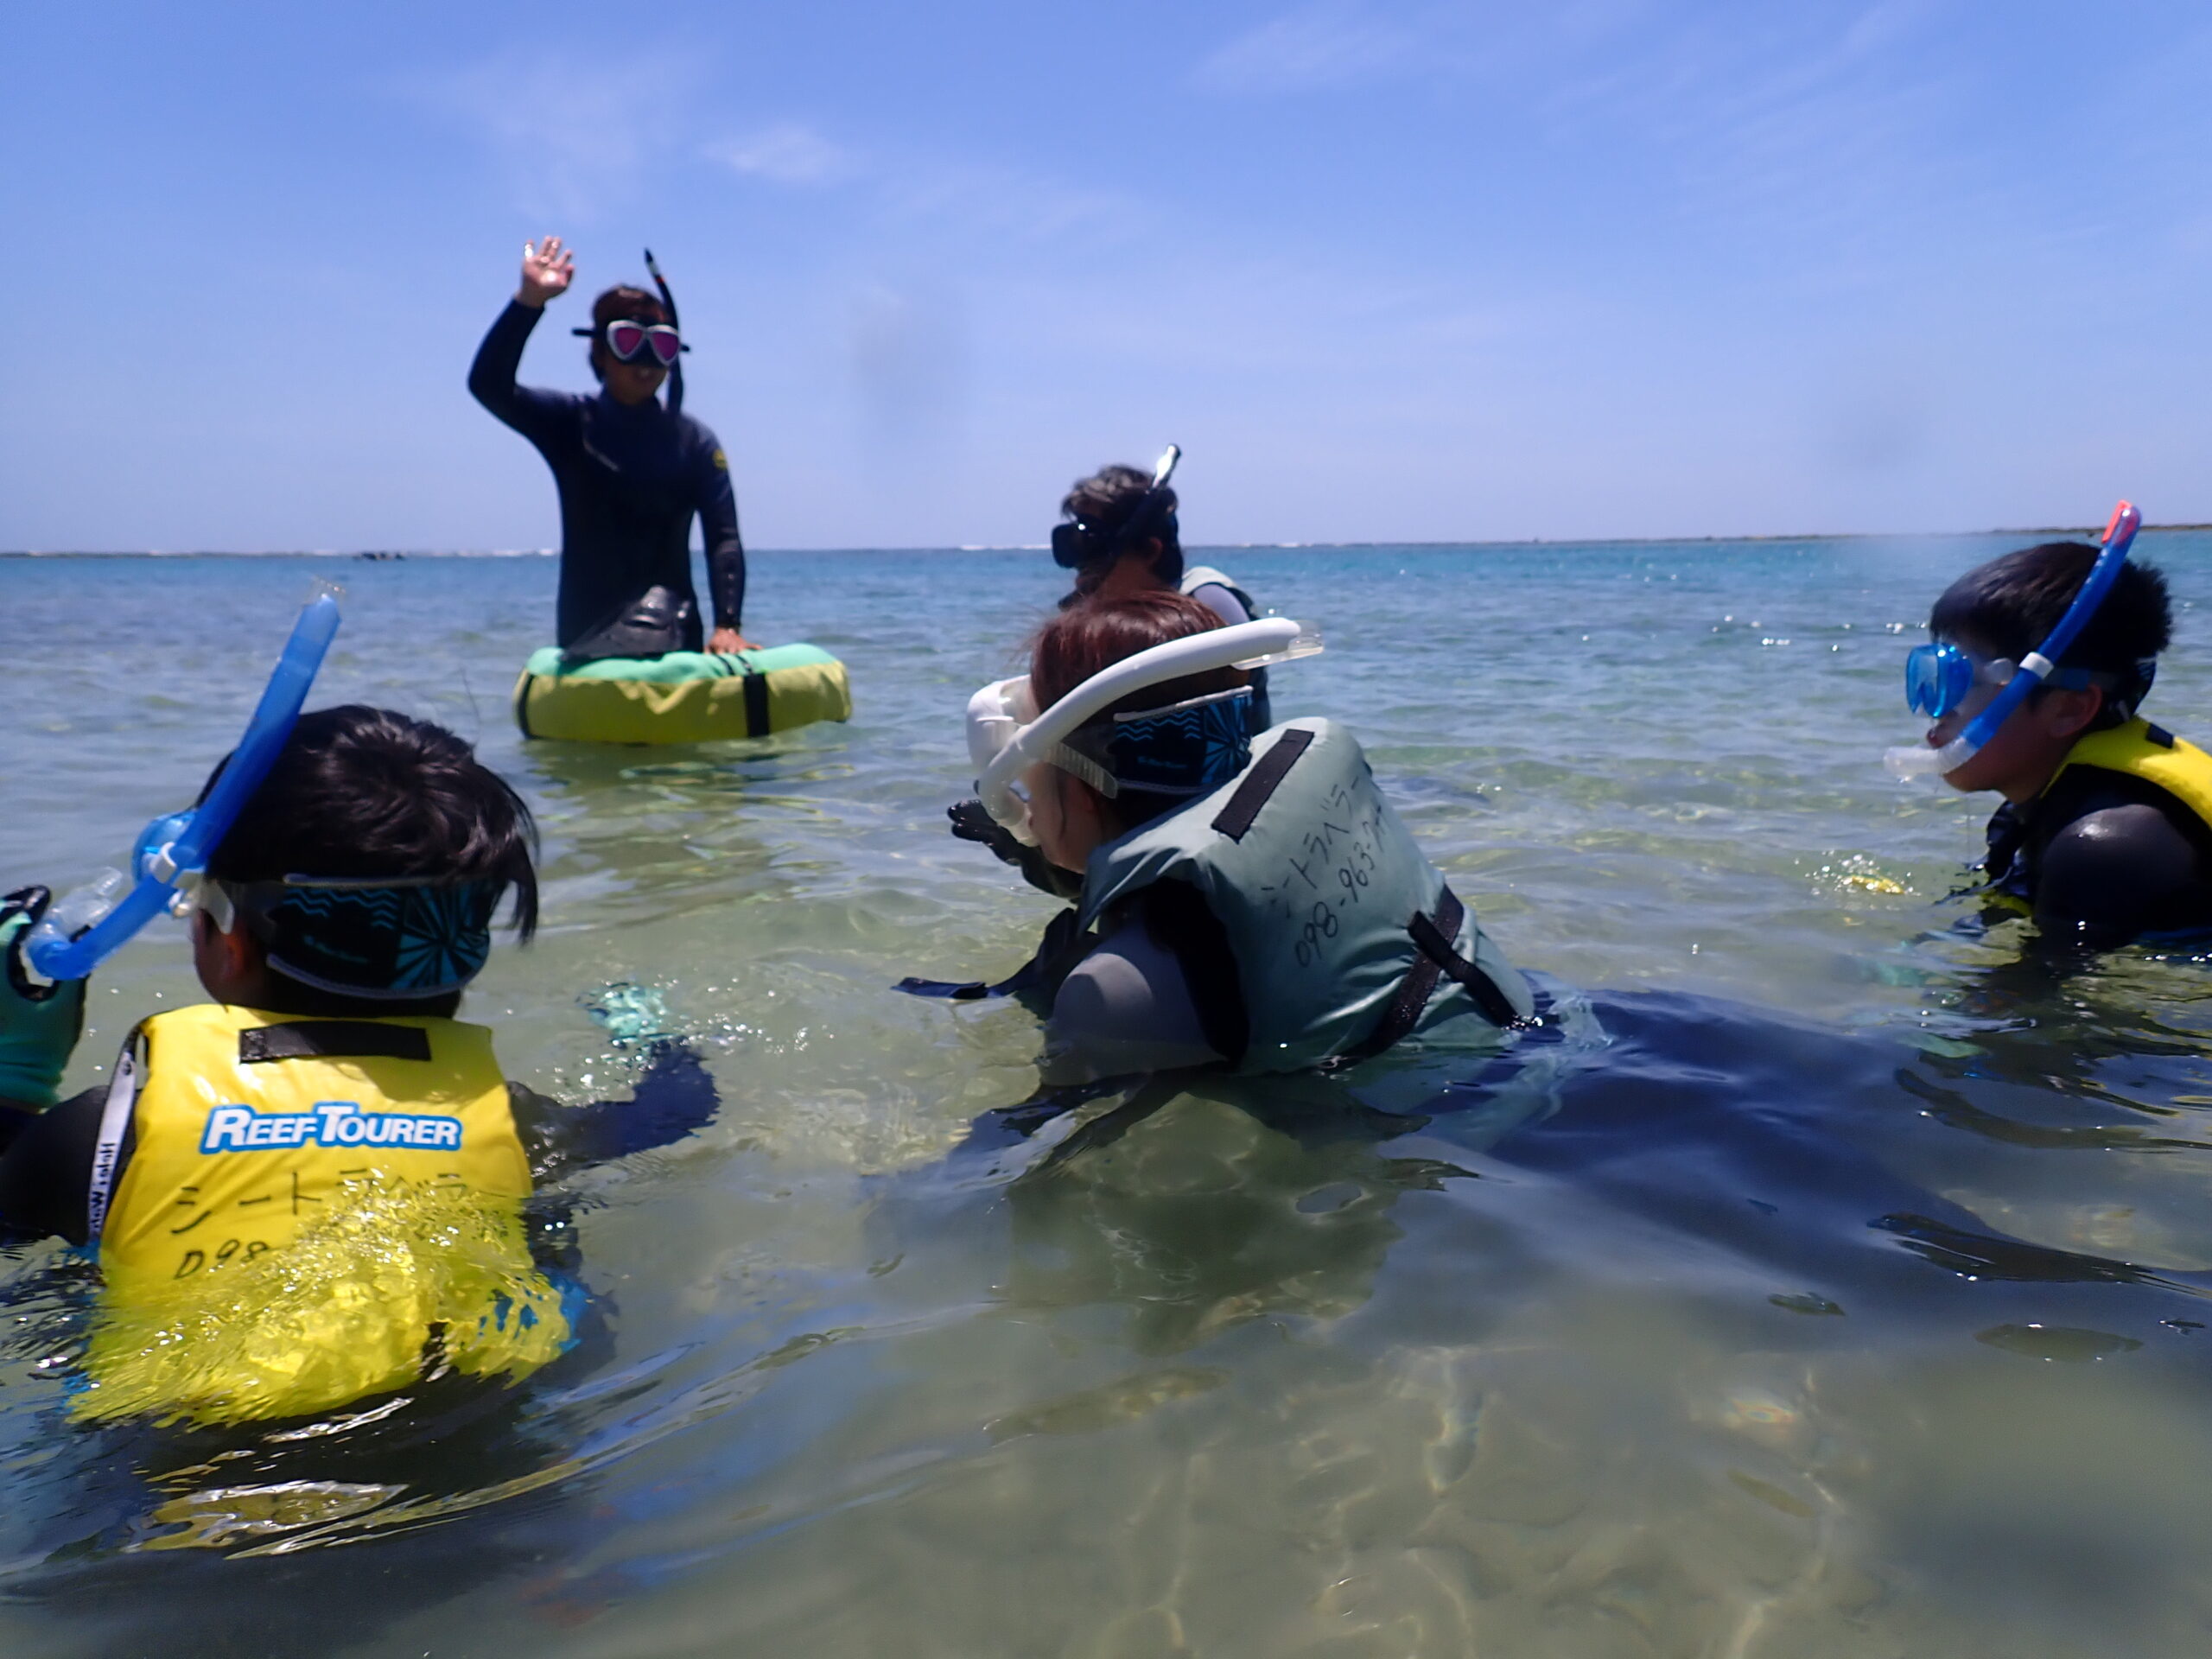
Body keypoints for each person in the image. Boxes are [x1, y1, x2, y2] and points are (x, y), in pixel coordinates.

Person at [0, 706, 718, 1426]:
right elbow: (678, 1109)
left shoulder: (97, 1140)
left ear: (228, 937)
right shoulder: (519, 1128)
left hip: (178, 1510)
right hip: (508, 1496)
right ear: (463, 939)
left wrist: (16, 1076)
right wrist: (654, 1038)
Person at [963, 591, 1534, 1081]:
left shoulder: (1109, 996)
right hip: (1540, 1037)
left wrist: (1055, 1006)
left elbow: (1050, 1178)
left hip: (1462, 1128)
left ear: (1083, 788)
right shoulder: (1290, 803)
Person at [949, 453, 1270, 896]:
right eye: (1077, 545)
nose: (1083, 571)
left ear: (1151, 550)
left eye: (1095, 547)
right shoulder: (1105, 633)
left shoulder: (1210, 617)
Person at [1901, 536, 2212, 946]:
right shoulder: (2032, 811)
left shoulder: (2106, 846)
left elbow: (2048, 1005)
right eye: (1932, 676)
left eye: (1960, 680)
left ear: (2069, 709)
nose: (1934, 709)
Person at [469, 236, 755, 661]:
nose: (645, 361)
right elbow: (488, 386)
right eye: (628, 342)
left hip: (674, 640)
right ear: (600, 352)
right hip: (586, 641)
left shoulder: (695, 442)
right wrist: (529, 302)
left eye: (660, 347)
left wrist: (728, 625)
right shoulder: (570, 423)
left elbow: (724, 539)